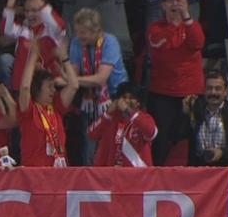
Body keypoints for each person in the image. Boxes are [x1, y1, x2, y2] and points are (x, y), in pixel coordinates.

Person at [147, 0, 205, 166]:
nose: (175, 5)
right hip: (163, 94)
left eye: (179, 1)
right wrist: (173, 25)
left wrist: (186, 20)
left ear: (187, 4)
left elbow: (197, 43)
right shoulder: (155, 29)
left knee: (196, 141)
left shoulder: (193, 27)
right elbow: (161, 44)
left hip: (192, 94)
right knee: (160, 143)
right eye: (170, 1)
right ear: (163, 5)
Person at [68, 8, 128, 165]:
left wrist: (72, 80)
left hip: (115, 96)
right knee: (88, 140)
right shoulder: (76, 42)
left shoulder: (110, 42)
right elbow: (72, 73)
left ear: (97, 31)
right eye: (77, 31)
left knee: (111, 142)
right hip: (88, 99)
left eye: (84, 32)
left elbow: (101, 79)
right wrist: (70, 78)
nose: (80, 36)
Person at [0, 0, 66, 92]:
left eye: (35, 10)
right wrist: (11, 1)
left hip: (43, 94)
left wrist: (39, 2)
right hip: (20, 91)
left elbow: (59, 25)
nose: (29, 15)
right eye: (26, 11)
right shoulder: (24, 30)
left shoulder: (51, 32)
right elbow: (6, 29)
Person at [18, 38, 78, 167]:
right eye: (49, 86)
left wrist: (65, 58)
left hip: (59, 172)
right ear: (38, 88)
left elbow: (74, 86)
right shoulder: (29, 110)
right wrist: (33, 56)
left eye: (54, 86)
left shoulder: (56, 107)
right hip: (34, 173)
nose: (53, 90)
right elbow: (25, 88)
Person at [182, 70, 228, 167]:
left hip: (226, 172)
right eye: (209, 88)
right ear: (204, 91)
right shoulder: (195, 115)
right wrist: (185, 114)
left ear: (225, 92)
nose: (213, 92)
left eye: (218, 88)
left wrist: (222, 153)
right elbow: (177, 137)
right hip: (199, 173)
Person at [89, 82, 157, 167]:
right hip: (111, 174)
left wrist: (127, 111)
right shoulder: (110, 118)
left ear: (138, 102)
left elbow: (152, 132)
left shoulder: (144, 118)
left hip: (138, 175)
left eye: (131, 98)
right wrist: (107, 114)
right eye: (124, 97)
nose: (127, 101)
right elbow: (92, 134)